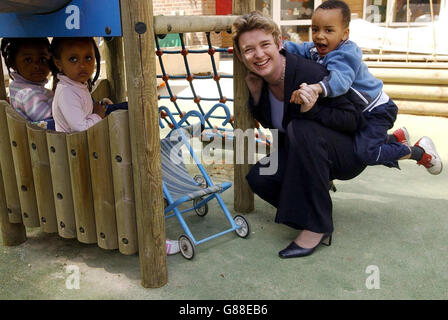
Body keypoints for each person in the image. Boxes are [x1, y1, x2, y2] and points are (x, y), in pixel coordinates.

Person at [232, 11, 367, 259]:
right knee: (260, 177)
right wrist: (256, 96)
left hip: (346, 152)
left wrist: (313, 108)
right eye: (249, 50)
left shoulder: (310, 73)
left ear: (279, 43)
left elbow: (354, 119)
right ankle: (313, 207)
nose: (259, 55)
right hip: (306, 153)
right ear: (241, 56)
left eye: (265, 45)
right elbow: (276, 123)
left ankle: (318, 226)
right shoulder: (259, 82)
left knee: (301, 126)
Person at [50, 37, 179, 255]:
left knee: (132, 108)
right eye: (73, 59)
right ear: (58, 63)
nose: (83, 65)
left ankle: (151, 144)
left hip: (90, 146)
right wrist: (100, 114)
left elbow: (86, 113)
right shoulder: (66, 92)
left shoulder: (75, 85)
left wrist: (100, 108)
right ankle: (150, 238)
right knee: (129, 182)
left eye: (88, 58)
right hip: (82, 155)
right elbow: (81, 128)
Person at [284, 0, 442, 175]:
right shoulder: (318, 49)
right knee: (356, 142)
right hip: (359, 112)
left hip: (377, 111)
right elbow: (299, 49)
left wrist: (317, 88)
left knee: (367, 152)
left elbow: (340, 81)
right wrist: (278, 46)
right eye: (315, 29)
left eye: (328, 30)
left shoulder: (346, 53)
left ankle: (419, 152)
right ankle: (395, 138)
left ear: (345, 34)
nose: (320, 35)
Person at [1, 37, 56, 130]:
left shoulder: (17, 86)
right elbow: (47, 120)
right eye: (28, 60)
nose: (36, 65)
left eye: (42, 59)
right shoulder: (29, 94)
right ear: (12, 63)